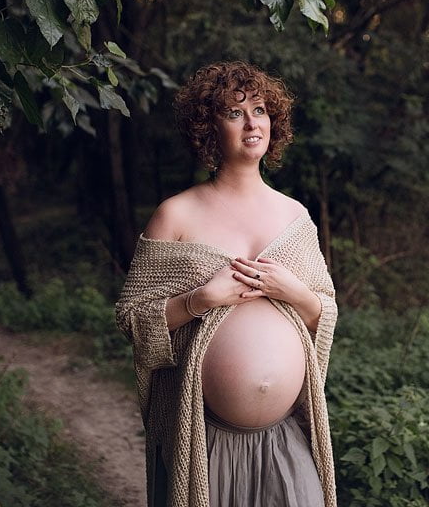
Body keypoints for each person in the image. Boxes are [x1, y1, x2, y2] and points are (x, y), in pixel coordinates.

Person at [115, 61, 339, 507]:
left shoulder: (296, 218)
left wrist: (293, 292)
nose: (252, 122)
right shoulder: (176, 214)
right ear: (207, 128)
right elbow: (133, 319)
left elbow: (324, 311)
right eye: (234, 112)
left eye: (259, 109)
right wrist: (200, 299)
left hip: (284, 442)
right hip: (205, 443)